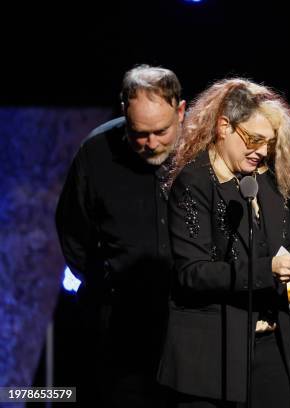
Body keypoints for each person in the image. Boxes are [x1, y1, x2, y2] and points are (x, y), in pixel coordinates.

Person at [157, 78, 290, 408]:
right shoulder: (194, 181)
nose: (261, 152)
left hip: (269, 347)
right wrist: (266, 270)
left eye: (268, 144)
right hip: (212, 356)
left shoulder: (265, 179)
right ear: (224, 127)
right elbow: (192, 273)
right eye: (253, 140)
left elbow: (287, 244)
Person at [55, 64, 186, 407]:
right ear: (124, 111)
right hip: (122, 322)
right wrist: (106, 282)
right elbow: (73, 229)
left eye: (161, 131)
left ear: (181, 110)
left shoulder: (204, 150)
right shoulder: (96, 151)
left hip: (192, 321)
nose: (150, 143)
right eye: (139, 133)